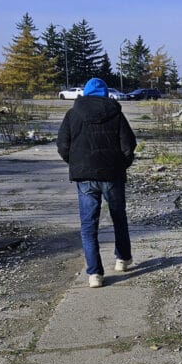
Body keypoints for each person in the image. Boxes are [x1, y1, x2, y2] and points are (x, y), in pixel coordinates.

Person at [56, 77, 137, 288]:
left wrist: (77, 164)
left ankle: (94, 274)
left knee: (88, 226)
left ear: (85, 93)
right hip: (112, 175)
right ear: (105, 93)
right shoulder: (116, 113)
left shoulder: (73, 114)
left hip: (85, 177)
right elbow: (129, 145)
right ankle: (122, 260)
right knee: (119, 218)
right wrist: (120, 166)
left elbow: (62, 145)